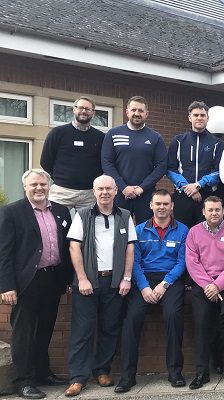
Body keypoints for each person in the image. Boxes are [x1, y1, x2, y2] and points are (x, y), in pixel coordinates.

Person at [0, 169, 72, 399]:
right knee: (24, 332)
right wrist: (6, 285)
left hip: (53, 280)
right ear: (25, 187)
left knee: (45, 329)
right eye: (34, 185)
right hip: (27, 282)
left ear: (48, 185)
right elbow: (4, 253)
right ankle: (23, 381)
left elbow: (67, 248)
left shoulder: (61, 211)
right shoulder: (12, 212)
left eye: (42, 184)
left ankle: (42, 373)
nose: (39, 188)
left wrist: (68, 279)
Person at [64, 175, 136, 397]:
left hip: (114, 282)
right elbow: (74, 247)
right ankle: (78, 377)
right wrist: (82, 278)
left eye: (109, 189)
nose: (105, 192)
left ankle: (102, 370)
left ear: (116, 191)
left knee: (109, 328)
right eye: (100, 189)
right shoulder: (83, 215)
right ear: (93, 192)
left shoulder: (124, 216)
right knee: (83, 330)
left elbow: (130, 249)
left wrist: (126, 278)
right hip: (88, 282)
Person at [116, 189, 189, 393]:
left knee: (173, 316)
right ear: (151, 206)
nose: (162, 207)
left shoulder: (183, 230)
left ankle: (175, 372)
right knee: (132, 319)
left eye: (166, 204)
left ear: (172, 206)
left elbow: (182, 262)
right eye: (158, 204)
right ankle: (127, 376)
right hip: (144, 280)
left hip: (170, 280)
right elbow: (134, 262)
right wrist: (145, 286)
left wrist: (165, 283)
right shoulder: (138, 230)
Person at [184, 196, 224, 389]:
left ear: (223, 211)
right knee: (201, 323)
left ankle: (217, 348)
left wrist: (218, 285)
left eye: (217, 209)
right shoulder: (193, 233)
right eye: (210, 210)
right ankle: (202, 373)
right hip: (202, 285)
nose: (214, 213)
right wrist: (209, 285)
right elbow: (192, 263)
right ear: (204, 211)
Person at [101, 96, 167, 223]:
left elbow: (161, 166)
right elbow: (107, 163)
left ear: (146, 114)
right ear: (127, 112)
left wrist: (141, 188)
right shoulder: (113, 134)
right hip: (120, 194)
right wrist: (123, 187)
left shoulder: (155, 137)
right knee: (118, 232)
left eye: (141, 111)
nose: (137, 114)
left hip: (146, 194)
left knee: (146, 232)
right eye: (134, 110)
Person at [40, 96, 105, 211]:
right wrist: (61, 178)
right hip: (62, 192)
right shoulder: (58, 133)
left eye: (87, 109)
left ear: (93, 113)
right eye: (80, 108)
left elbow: (104, 163)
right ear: (74, 109)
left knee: (88, 228)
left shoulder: (100, 137)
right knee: (55, 225)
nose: (83, 111)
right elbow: (45, 161)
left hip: (89, 194)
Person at [166, 101, 224, 227]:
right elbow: (170, 168)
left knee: (205, 234)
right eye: (196, 115)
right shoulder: (178, 141)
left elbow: (220, 171)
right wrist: (187, 187)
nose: (199, 118)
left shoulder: (217, 143)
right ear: (189, 117)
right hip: (182, 195)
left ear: (207, 118)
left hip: (207, 196)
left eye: (202, 115)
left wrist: (198, 185)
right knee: (182, 232)